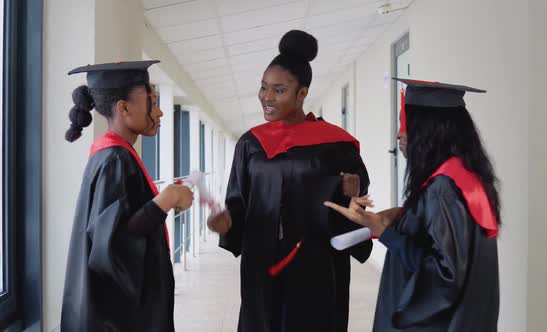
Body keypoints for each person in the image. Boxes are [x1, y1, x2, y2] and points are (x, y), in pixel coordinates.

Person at [207, 30, 372, 332]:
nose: (267, 98)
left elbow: (355, 205)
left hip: (316, 265)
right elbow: (238, 202)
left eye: (279, 90)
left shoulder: (336, 144)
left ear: (302, 93)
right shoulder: (251, 143)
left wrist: (353, 192)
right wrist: (228, 222)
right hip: (262, 263)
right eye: (263, 88)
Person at [326, 79, 501, 332]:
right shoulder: (464, 177)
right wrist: (405, 216)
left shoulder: (443, 188)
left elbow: (444, 277)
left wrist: (385, 233)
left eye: (405, 123)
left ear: (431, 129)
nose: (399, 133)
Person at [61, 60, 193, 332]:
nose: (159, 112)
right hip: (117, 319)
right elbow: (112, 246)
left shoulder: (113, 155)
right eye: (151, 102)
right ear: (124, 108)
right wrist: (165, 200)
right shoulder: (114, 160)